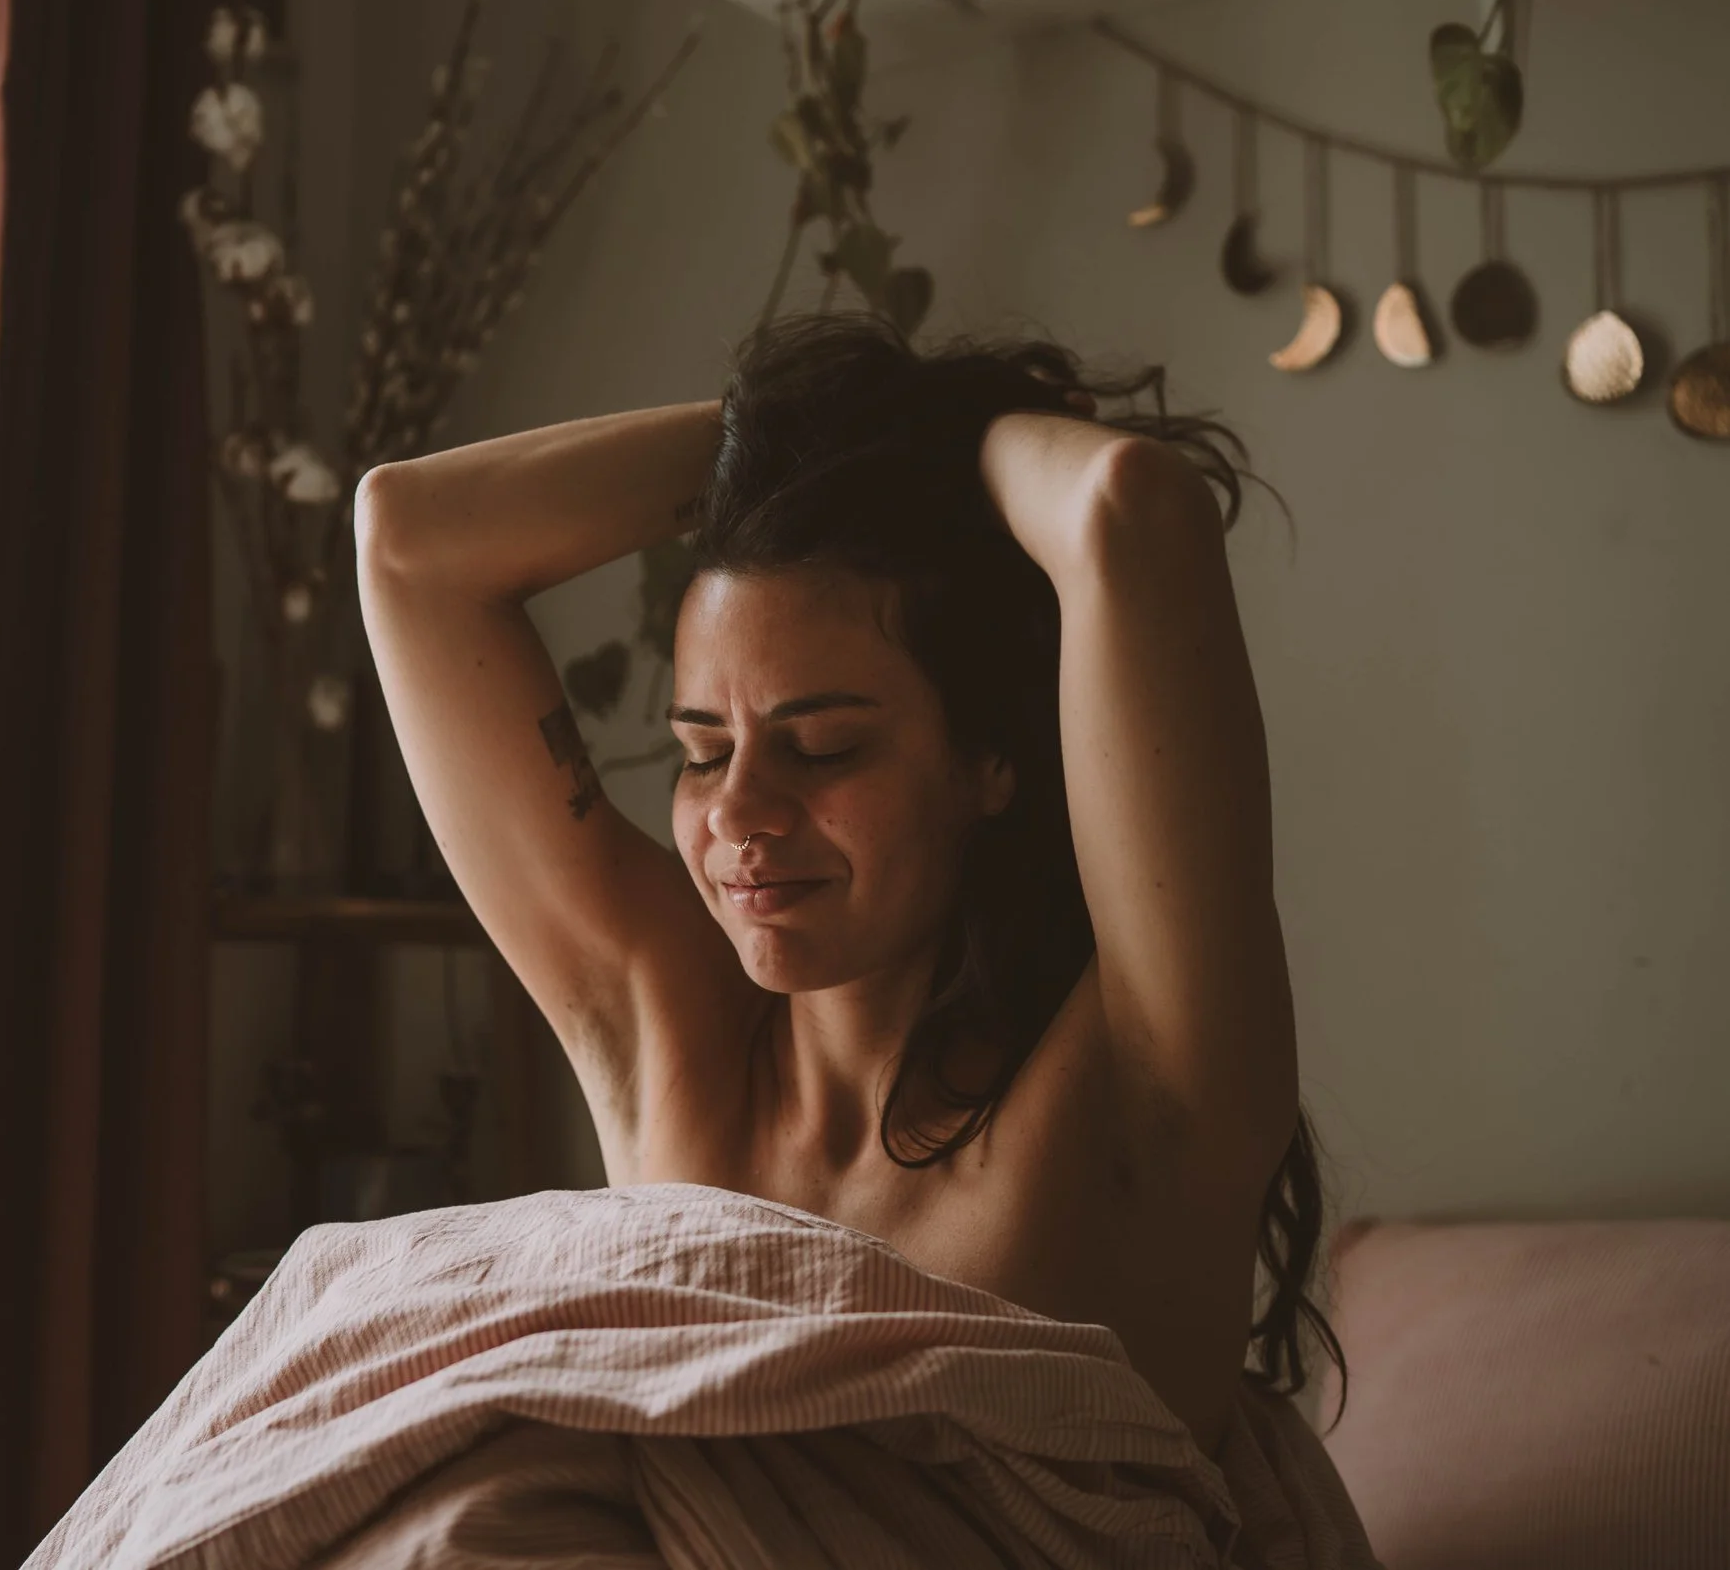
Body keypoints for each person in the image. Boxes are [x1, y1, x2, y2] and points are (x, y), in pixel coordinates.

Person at [353, 311, 1336, 1455]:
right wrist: (826, 440)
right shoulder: (666, 1028)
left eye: (822, 748)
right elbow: (408, 539)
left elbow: (1133, 506)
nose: (736, 813)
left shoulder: (1139, 1081)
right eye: (702, 750)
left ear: (988, 758)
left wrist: (924, 434)